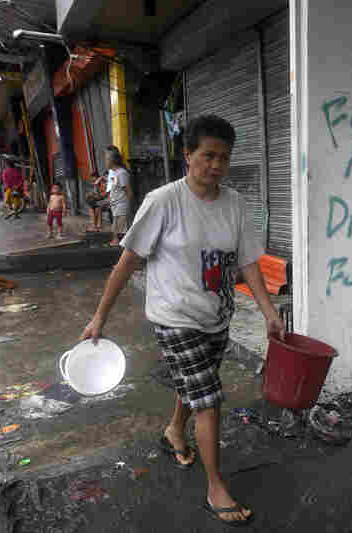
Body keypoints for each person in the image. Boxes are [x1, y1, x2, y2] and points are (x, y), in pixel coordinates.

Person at [80, 115, 284, 526]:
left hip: (216, 316)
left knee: (195, 384)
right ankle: (215, 486)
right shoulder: (163, 202)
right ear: (187, 155)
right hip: (174, 318)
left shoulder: (235, 205)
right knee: (209, 400)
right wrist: (99, 316)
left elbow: (248, 264)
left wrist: (268, 312)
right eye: (208, 156)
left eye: (223, 158)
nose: (216, 165)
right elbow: (128, 262)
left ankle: (175, 430)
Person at [104, 146, 133, 246]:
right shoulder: (115, 173)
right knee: (116, 224)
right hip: (115, 204)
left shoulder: (122, 173)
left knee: (121, 225)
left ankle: (123, 244)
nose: (105, 162)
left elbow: (128, 190)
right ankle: (116, 240)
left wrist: (129, 204)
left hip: (121, 204)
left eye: (106, 159)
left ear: (112, 161)